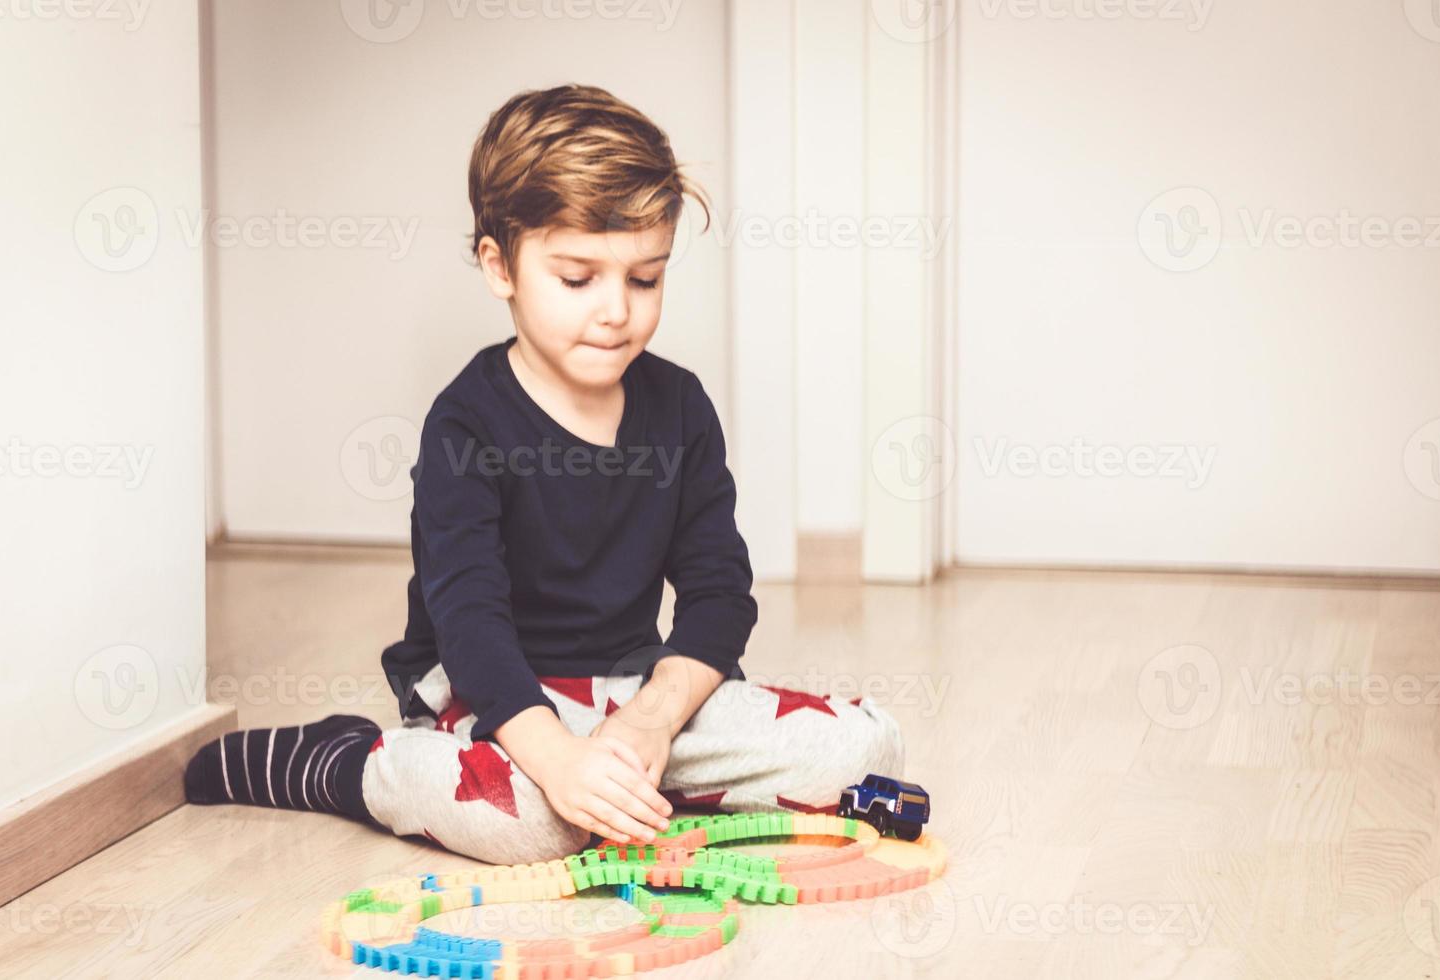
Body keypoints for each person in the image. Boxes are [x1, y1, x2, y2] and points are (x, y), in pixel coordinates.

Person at [184, 83, 904, 865]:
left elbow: (720, 594)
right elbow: (470, 627)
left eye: (645, 278)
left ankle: (622, 787)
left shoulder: (681, 407)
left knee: (865, 747)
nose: (615, 311)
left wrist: (653, 720)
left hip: (631, 694)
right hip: (489, 700)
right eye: (576, 278)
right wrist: (559, 761)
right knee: (531, 822)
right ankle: (350, 764)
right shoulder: (465, 425)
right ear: (500, 266)